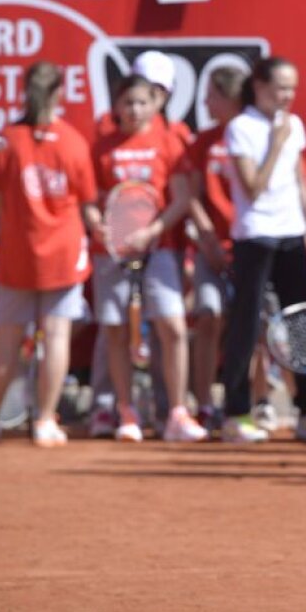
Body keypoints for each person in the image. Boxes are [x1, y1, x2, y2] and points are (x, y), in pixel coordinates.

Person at [0, 62, 97, 447]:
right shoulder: (73, 141)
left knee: (8, 339)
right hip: (63, 254)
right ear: (59, 93)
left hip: (18, 255)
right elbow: (86, 202)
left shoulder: (7, 140)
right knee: (56, 336)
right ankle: (44, 421)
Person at [87, 75, 205, 443]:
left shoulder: (167, 142)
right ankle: (126, 411)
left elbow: (181, 198)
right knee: (116, 331)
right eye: (128, 103)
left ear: (154, 104)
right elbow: (90, 200)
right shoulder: (101, 147)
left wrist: (150, 233)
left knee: (172, 326)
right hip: (111, 254)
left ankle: (176, 413)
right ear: (116, 106)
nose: (134, 110)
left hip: (161, 249)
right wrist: (101, 228)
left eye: (141, 102)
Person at [221, 56, 306, 444]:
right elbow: (253, 187)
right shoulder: (240, 128)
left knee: (302, 326)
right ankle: (236, 413)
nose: (287, 96)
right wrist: (276, 144)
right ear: (259, 86)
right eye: (280, 87)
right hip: (255, 236)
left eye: (292, 88)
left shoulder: (294, 124)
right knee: (245, 327)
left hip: (292, 235)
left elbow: (300, 181)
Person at [185, 66, 246, 433]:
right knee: (207, 315)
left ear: (230, 97)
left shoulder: (257, 134)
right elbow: (191, 196)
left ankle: (256, 402)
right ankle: (204, 404)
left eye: (212, 95)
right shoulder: (202, 141)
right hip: (210, 250)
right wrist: (208, 241)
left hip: (250, 248)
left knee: (252, 330)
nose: (205, 101)